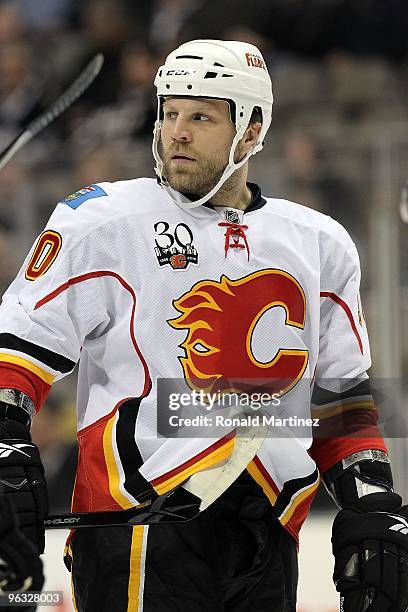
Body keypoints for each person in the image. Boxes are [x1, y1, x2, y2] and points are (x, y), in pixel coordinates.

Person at [0, 38, 406, 612]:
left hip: (268, 531)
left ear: (251, 130)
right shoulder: (103, 221)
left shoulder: (321, 244)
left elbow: (342, 400)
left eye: (201, 116)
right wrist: (7, 445)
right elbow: (17, 351)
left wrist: (373, 505)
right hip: (138, 523)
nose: (177, 132)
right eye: (168, 113)